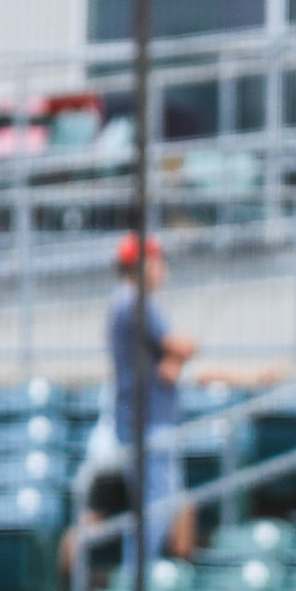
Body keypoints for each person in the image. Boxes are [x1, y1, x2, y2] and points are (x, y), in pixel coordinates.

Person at [106, 233, 198, 566]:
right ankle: (134, 578)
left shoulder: (133, 301)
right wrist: (180, 352)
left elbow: (172, 361)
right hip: (145, 423)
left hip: (145, 420)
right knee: (158, 507)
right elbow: (181, 346)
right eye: (156, 261)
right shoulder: (132, 301)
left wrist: (176, 356)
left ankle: (138, 576)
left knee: (162, 505)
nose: (162, 267)